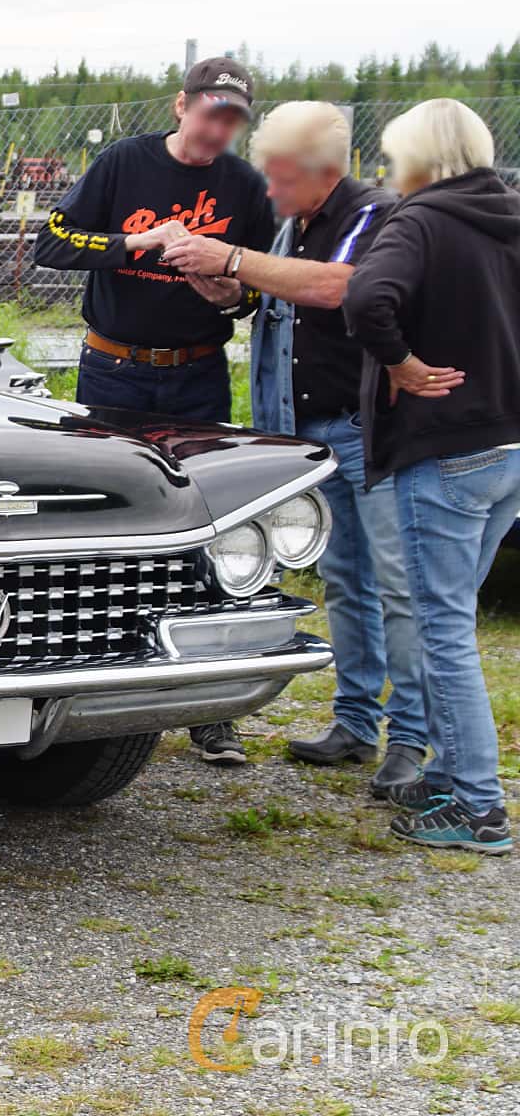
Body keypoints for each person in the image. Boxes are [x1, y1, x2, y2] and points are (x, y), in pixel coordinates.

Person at [162, 102, 427, 799]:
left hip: (363, 432)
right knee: (347, 581)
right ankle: (354, 721)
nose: (268, 193)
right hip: (309, 437)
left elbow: (340, 289)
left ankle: (410, 739)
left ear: (320, 171)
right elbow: (268, 294)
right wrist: (225, 288)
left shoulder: (373, 218)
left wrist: (235, 258)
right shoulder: (294, 224)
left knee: (399, 587)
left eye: (279, 179)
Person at [35, 56, 277, 766]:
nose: (217, 129)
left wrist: (223, 289)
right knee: (106, 517)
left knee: (207, 523)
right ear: (181, 106)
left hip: (196, 373)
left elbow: (257, 288)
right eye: (209, 113)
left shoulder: (246, 186)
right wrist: (135, 243)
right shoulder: (123, 163)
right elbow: (54, 242)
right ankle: (89, 680)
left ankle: (209, 704)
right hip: (113, 368)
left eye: (232, 120)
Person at [342, 98, 519, 854]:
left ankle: (479, 807)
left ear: (416, 156)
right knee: (457, 618)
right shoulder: (509, 217)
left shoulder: (416, 220)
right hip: (509, 450)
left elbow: (364, 299)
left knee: (444, 631)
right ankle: (449, 780)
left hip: (445, 451)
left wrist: (404, 365)